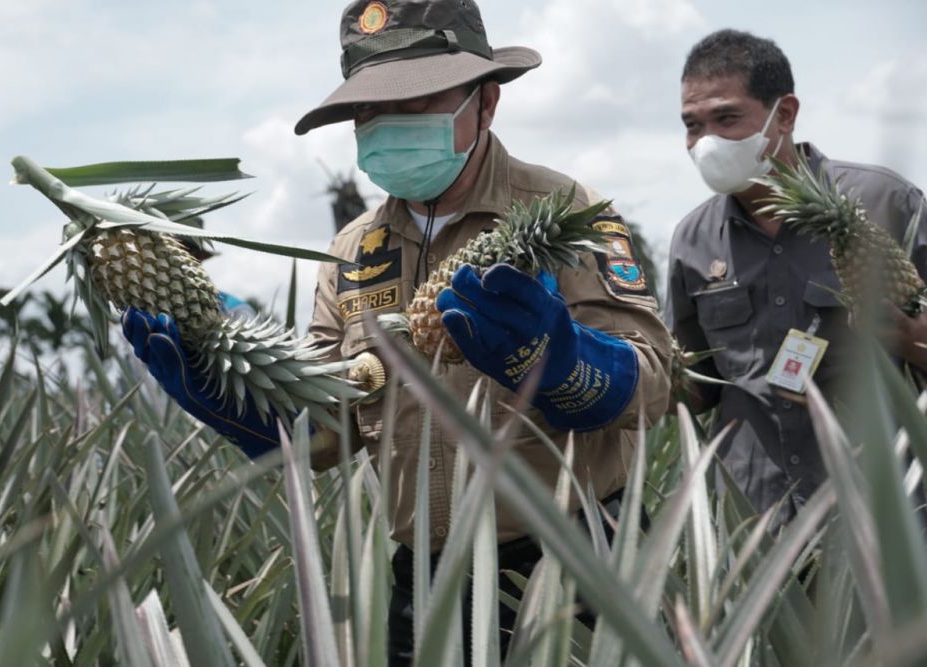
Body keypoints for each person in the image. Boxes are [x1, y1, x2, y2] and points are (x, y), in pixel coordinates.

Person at [124, 0, 672, 661]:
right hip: (426, 579)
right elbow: (330, 434)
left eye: (413, 101)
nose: (387, 124)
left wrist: (565, 364)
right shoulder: (351, 253)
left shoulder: (567, 211)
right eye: (368, 110)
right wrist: (240, 403)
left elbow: (652, 384)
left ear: (486, 101)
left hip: (578, 563)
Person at [666, 29, 927, 526]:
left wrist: (911, 336)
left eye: (726, 118)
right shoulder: (693, 240)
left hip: (884, 512)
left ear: (783, 114)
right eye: (692, 126)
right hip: (755, 523)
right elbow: (698, 386)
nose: (706, 143)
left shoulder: (883, 202)